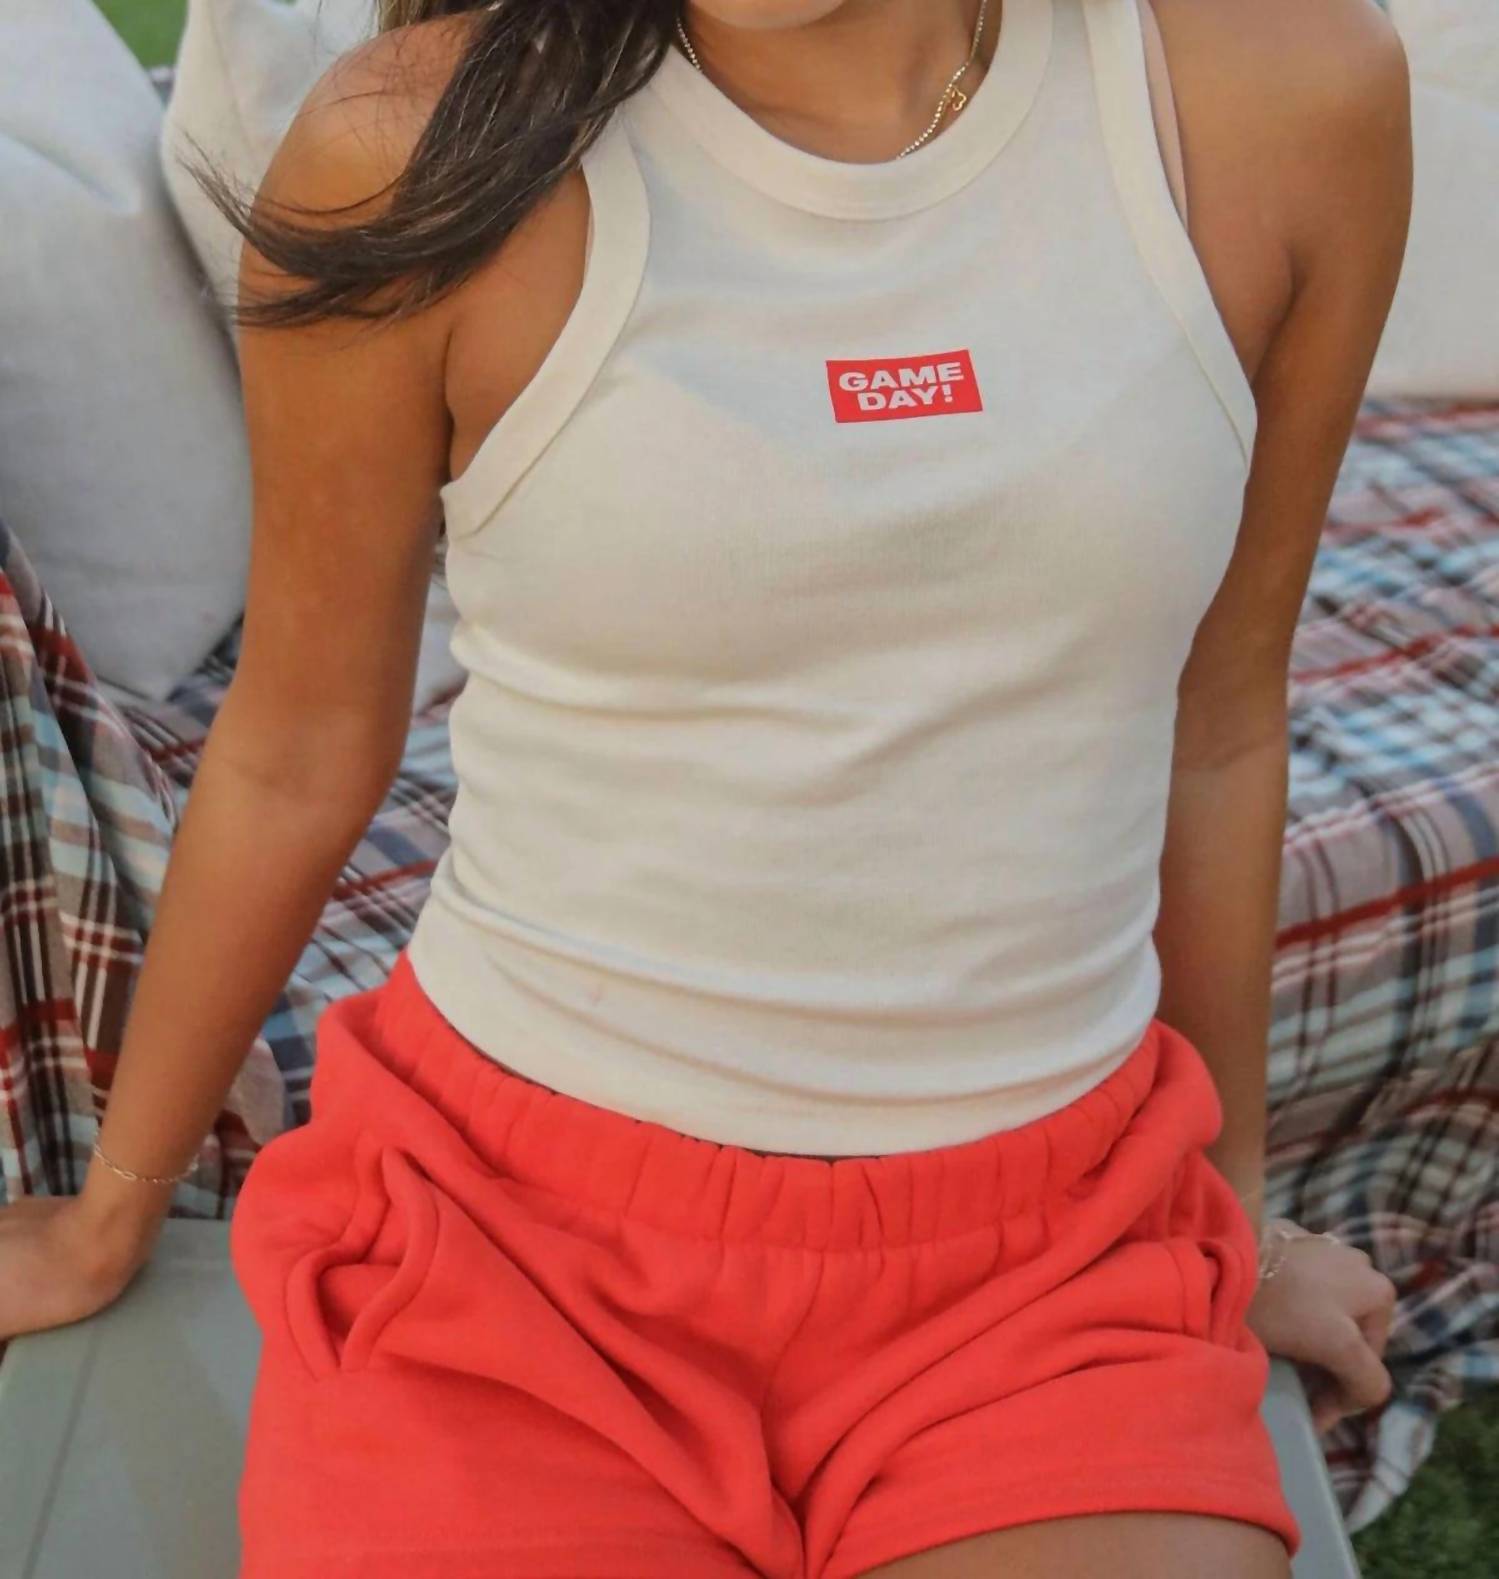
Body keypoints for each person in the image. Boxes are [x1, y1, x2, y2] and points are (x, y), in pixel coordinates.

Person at [0, 0, 1411, 1574]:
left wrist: (1229, 1219)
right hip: (508, 1252)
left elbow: (1219, 722)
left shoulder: (1288, 99)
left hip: (1054, 1261)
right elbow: (298, 745)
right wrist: (113, 1208)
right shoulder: (406, 149)